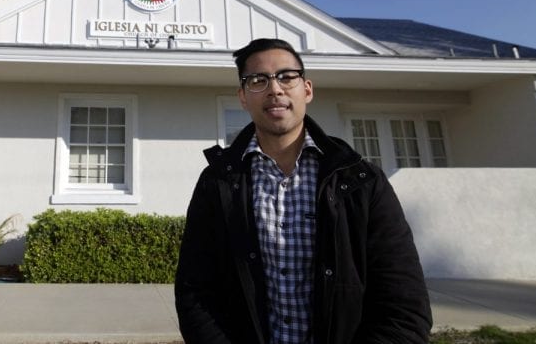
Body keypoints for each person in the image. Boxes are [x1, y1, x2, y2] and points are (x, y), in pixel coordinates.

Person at [174, 38, 432, 344]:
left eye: (286, 77)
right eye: (258, 80)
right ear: (243, 97)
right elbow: (196, 291)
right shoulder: (217, 182)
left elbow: (404, 305)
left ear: (307, 89)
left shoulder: (360, 180)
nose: (275, 89)